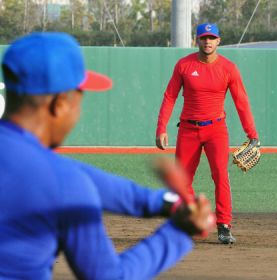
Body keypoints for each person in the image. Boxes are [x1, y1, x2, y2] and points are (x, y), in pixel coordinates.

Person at [0, 32, 212, 279]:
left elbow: (82, 179)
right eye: (81, 96)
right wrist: (178, 232)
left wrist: (166, 202)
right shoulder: (64, 183)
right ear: (60, 104)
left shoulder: (57, 175)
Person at [155, 23, 259, 244]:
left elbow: (241, 102)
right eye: (203, 38)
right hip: (188, 129)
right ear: (197, 40)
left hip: (216, 129)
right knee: (181, 181)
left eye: (212, 38)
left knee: (221, 175)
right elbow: (170, 96)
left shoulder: (229, 68)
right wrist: (161, 128)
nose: (207, 42)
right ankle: (192, 219)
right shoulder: (184, 65)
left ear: (219, 41)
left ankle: (224, 226)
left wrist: (252, 134)